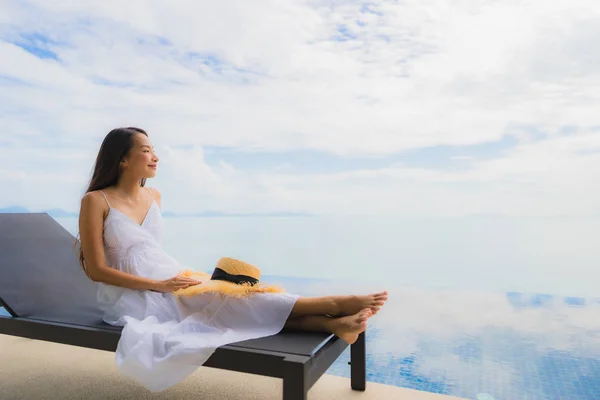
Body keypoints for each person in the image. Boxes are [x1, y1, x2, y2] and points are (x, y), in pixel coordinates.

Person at [77, 127, 388, 391]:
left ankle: (331, 324)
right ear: (122, 159)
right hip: (132, 294)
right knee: (226, 304)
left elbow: (151, 251)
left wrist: (171, 281)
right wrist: (160, 285)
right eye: (146, 150)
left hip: (171, 276)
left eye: (154, 150)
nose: (156, 156)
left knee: (235, 300)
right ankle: (334, 305)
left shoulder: (154, 196)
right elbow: (96, 270)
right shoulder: (96, 200)